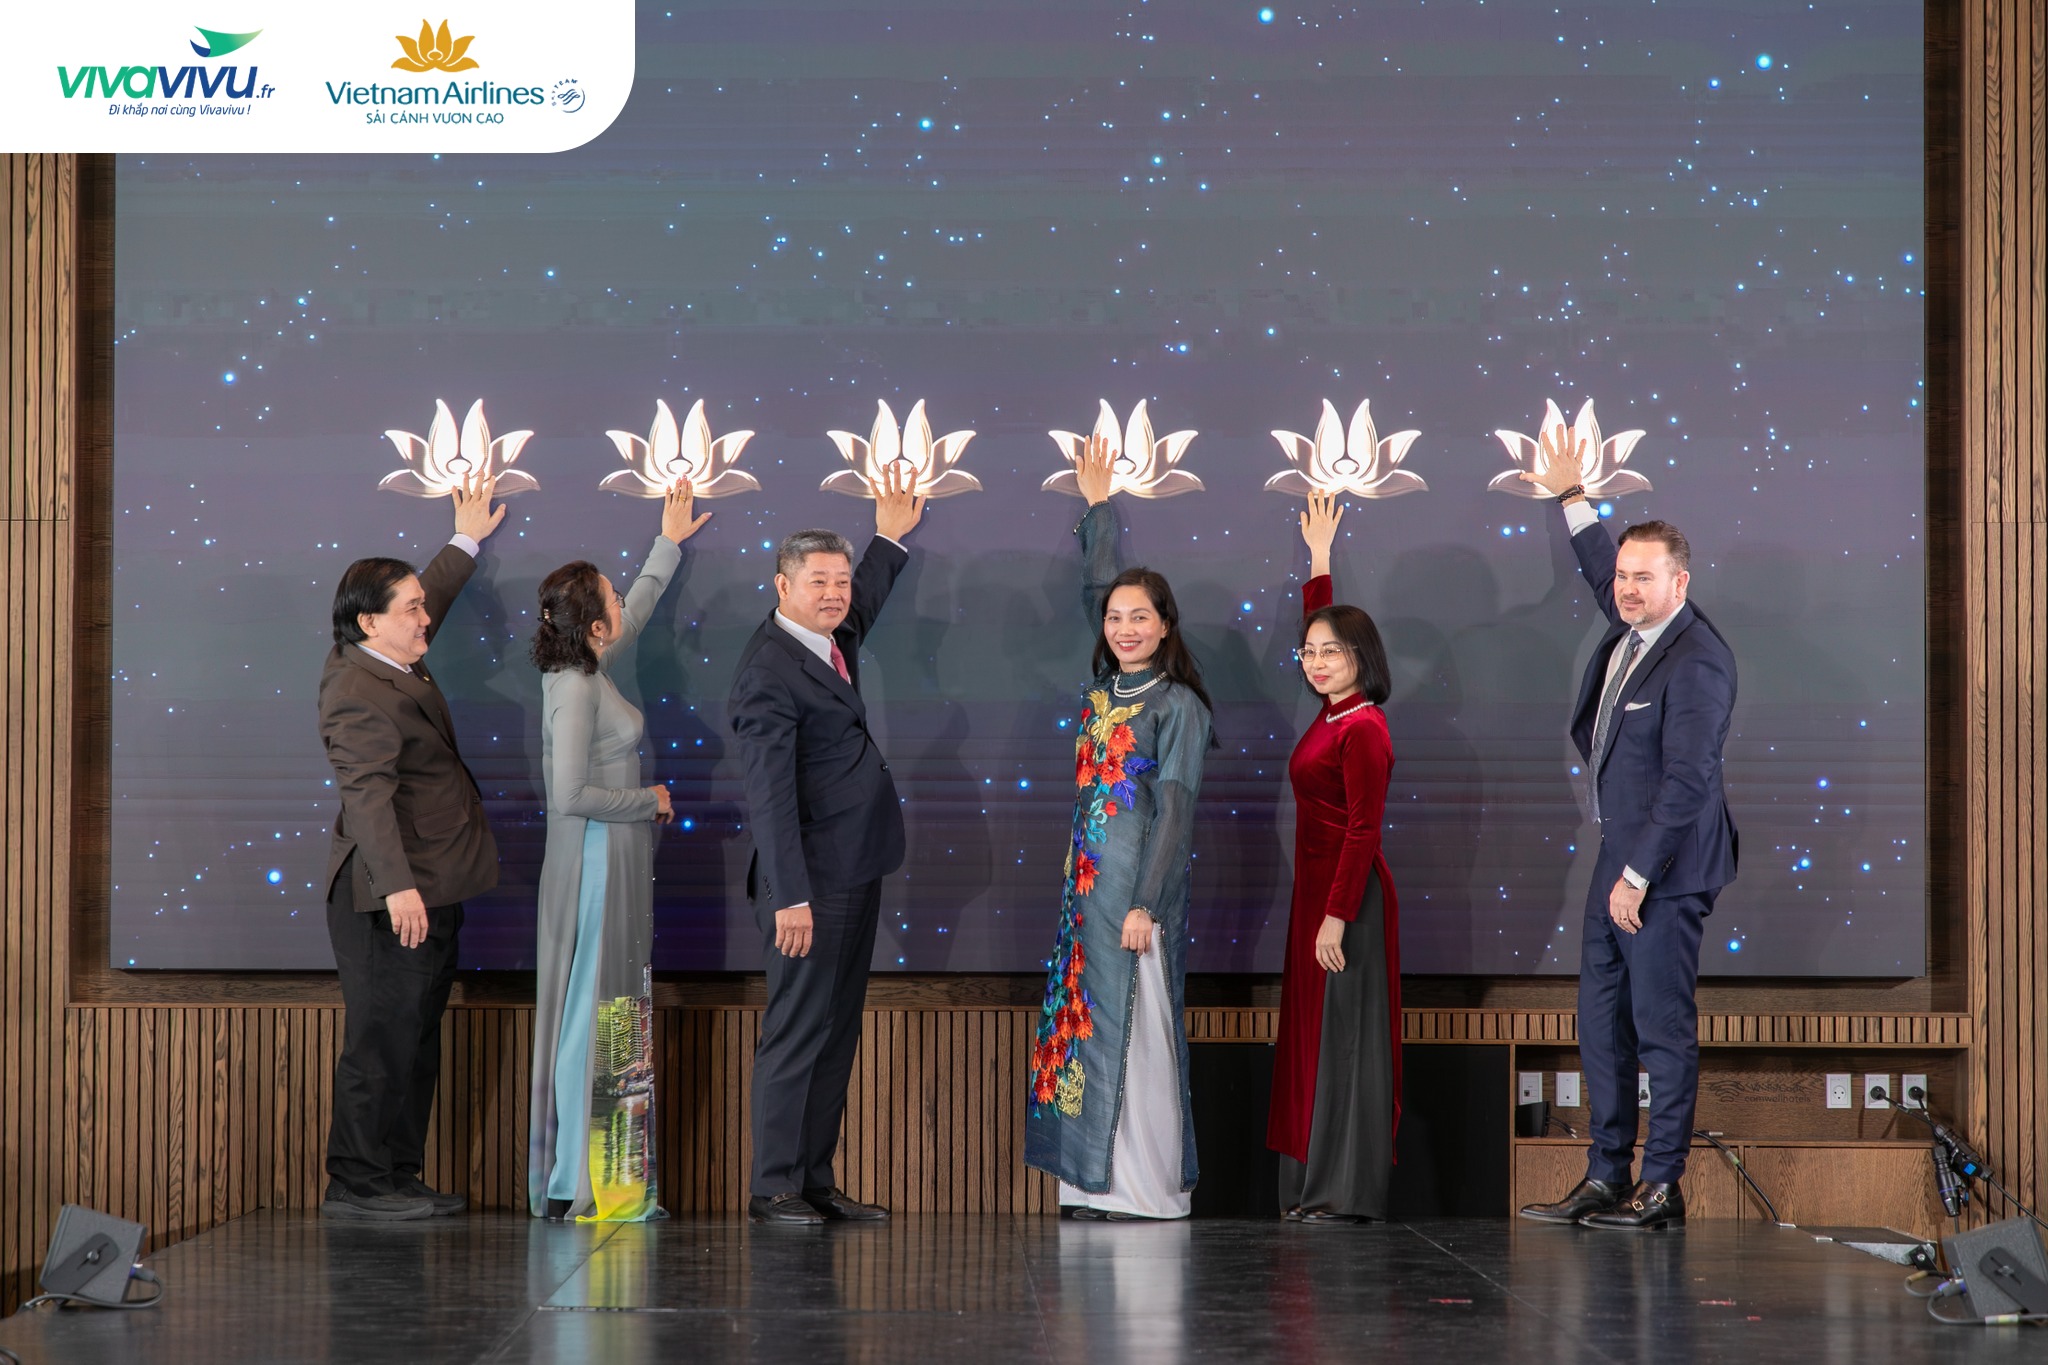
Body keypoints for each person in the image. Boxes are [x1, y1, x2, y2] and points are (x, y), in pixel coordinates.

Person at [1515, 420, 1739, 1232]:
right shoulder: (1630, 627)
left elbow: (1688, 780)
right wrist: (1573, 497)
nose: (1627, 588)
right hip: (1620, 859)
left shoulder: (1697, 658)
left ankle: (1661, 1184)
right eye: (1623, 576)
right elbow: (1594, 566)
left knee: (1660, 1027)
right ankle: (1606, 1174)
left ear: (1681, 582)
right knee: (1600, 1021)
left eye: (1645, 577)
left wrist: (1638, 876)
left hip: (1665, 870)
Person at [727, 465, 926, 1226]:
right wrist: (791, 896)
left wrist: (888, 540)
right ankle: (773, 1186)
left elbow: (862, 604)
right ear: (783, 586)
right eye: (819, 582)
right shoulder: (767, 672)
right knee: (797, 1030)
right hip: (807, 884)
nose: (836, 593)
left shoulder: (826, 638)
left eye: (840, 580)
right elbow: (770, 797)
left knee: (836, 1030)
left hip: (856, 868)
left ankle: (814, 1180)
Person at [1025, 434, 1214, 1220]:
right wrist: (1098, 507)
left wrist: (1146, 901)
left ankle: (1143, 1189)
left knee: (1138, 1032)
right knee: (1086, 1028)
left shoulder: (1179, 706)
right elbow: (1096, 588)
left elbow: (1175, 812)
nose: (1125, 626)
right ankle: (1088, 1182)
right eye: (1116, 617)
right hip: (1086, 896)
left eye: (1142, 616)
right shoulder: (1105, 691)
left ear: (1167, 626)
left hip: (1137, 896)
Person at [317, 468, 505, 1220]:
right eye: (413, 610)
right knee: (380, 1039)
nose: (427, 618)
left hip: (432, 886)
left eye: (424, 605)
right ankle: (356, 1182)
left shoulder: (385, 653)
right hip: (386, 897)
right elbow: (366, 799)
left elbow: (427, 599)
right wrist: (399, 889)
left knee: (416, 1035)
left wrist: (464, 540)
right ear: (370, 622)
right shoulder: (357, 692)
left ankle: (397, 1173)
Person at [527, 481, 711, 1222]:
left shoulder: (588, 664)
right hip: (597, 860)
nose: (620, 603)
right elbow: (569, 793)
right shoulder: (575, 686)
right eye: (611, 594)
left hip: (616, 859)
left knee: (615, 1013)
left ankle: (614, 1179)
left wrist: (667, 545)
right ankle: (582, 1179)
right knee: (594, 1016)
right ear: (593, 623)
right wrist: (649, 800)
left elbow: (633, 612)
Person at [1267, 491, 1402, 1224]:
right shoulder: (1333, 713)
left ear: (1362, 659)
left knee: (1344, 1041)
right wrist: (1318, 560)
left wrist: (1335, 916)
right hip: (1316, 899)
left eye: (1333, 653)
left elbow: (1363, 830)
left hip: (1346, 904)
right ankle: (1310, 1187)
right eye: (1310, 652)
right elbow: (1318, 621)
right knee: (1316, 1036)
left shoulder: (1364, 729)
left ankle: (1341, 1192)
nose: (1317, 662)